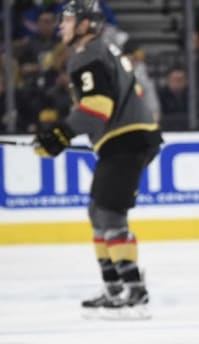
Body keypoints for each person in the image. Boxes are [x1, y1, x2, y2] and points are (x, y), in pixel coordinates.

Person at [31, 0, 163, 318]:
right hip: (126, 137)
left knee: (109, 212)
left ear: (85, 25)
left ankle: (132, 288)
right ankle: (115, 285)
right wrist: (62, 134)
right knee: (98, 211)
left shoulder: (86, 55)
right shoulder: (101, 49)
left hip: (126, 140)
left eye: (67, 20)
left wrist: (59, 134)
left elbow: (98, 107)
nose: (61, 26)